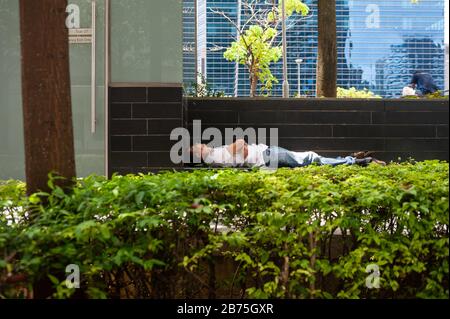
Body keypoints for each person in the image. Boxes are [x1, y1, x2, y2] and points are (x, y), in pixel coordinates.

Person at [190, 140, 386, 168]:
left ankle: (352, 160)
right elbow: (241, 144)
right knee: (310, 159)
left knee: (312, 160)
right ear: (200, 154)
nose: (202, 145)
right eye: (199, 147)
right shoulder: (214, 156)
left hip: (267, 156)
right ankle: (359, 161)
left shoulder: (215, 155)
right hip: (267, 156)